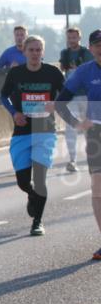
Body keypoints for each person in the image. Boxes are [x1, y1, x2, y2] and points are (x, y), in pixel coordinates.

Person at [0, 35, 66, 236]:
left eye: (38, 50)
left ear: (43, 52)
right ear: (25, 52)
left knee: (40, 179)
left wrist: (56, 105)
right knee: (23, 182)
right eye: (31, 50)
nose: (35, 53)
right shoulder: (16, 73)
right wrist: (14, 113)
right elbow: (3, 95)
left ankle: (37, 222)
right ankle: (31, 195)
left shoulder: (53, 72)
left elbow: (66, 95)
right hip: (22, 131)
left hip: (45, 130)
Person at [55, 28, 101, 260]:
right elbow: (60, 102)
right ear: (91, 48)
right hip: (96, 134)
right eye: (98, 45)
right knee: (98, 187)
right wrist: (76, 123)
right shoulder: (84, 71)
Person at [59, 27, 92, 172]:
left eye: (74, 38)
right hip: (71, 95)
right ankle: (72, 160)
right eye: (69, 38)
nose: (72, 40)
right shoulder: (64, 53)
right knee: (70, 127)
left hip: (86, 95)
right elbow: (63, 69)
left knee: (89, 128)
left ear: (79, 38)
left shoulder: (86, 53)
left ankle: (92, 157)